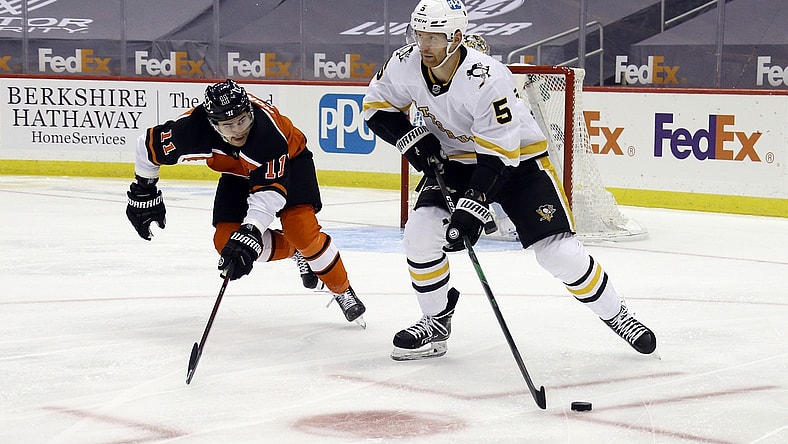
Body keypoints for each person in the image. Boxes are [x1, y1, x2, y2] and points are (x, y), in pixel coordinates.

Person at [362, 0, 656, 360]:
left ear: (456, 37)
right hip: (455, 161)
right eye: (419, 34)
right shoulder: (405, 62)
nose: (424, 45)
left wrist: (471, 208)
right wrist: (413, 141)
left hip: (518, 163)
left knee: (558, 254)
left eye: (434, 37)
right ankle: (436, 320)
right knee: (420, 235)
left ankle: (619, 315)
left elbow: (499, 156)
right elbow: (377, 109)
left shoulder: (489, 78)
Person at [126, 79, 365, 326]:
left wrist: (250, 231)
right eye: (228, 126)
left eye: (242, 120)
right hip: (237, 174)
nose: (238, 130)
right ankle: (297, 251)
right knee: (224, 241)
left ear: (250, 112)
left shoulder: (267, 135)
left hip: (290, 162)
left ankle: (341, 288)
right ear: (213, 124)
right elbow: (146, 146)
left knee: (301, 231)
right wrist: (145, 190)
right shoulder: (191, 130)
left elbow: (269, 195)